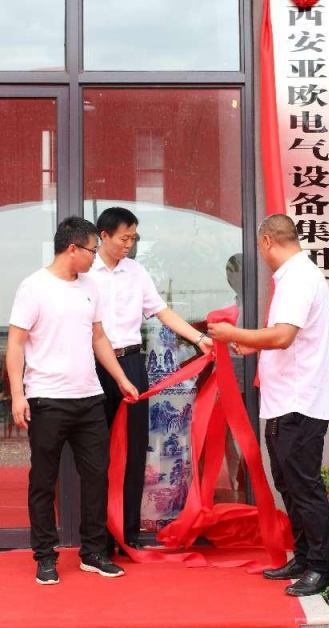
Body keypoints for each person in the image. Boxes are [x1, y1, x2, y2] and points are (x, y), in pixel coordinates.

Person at [6, 216, 139, 585]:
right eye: (92, 251)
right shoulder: (34, 287)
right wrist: (17, 394)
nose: (96, 257)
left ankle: (93, 552)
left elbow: (99, 338)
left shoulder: (90, 286)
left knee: (97, 477)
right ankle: (45, 556)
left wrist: (122, 380)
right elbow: (15, 343)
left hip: (89, 398)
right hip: (47, 399)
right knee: (43, 481)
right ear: (71, 249)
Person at [208, 213, 329, 597]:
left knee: (304, 487)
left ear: (267, 242)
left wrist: (232, 332)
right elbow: (283, 338)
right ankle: (304, 557)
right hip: (285, 402)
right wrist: (250, 344)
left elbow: (282, 337)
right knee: (289, 485)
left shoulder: (298, 278)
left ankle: (321, 568)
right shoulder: (293, 276)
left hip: (298, 403)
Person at [89, 207, 212, 553]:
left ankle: (127, 532)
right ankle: (98, 537)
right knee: (94, 452)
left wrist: (198, 339)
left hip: (131, 363)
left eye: (133, 238)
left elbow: (162, 312)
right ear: (104, 236)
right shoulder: (86, 272)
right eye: (124, 238)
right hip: (92, 366)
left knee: (133, 448)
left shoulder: (136, 272)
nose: (129, 244)